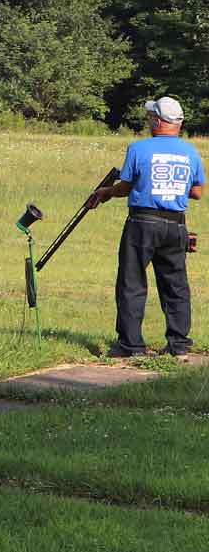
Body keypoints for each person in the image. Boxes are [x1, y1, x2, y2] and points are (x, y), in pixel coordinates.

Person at [91, 96, 204, 357]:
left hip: (142, 222)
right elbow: (197, 192)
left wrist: (107, 191)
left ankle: (131, 346)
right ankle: (179, 344)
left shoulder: (139, 148)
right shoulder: (191, 152)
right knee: (176, 284)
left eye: (150, 116)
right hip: (176, 225)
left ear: (157, 120)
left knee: (132, 282)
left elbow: (127, 186)